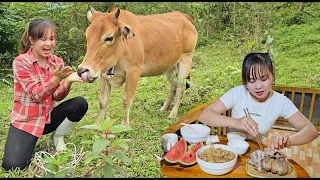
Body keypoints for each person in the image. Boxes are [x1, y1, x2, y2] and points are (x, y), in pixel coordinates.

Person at [1, 18, 88, 171]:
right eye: (43, 39)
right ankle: (28, 141)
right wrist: (56, 79)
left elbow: (57, 97)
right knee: (13, 166)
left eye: (52, 39)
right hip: (26, 122)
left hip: (48, 118)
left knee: (80, 103)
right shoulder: (21, 62)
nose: (49, 44)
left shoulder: (56, 61)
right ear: (32, 40)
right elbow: (35, 95)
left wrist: (67, 82)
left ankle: (58, 136)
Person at [198, 53, 318, 150]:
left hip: (258, 152)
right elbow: (204, 115)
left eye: (264, 78)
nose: (258, 86)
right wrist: (235, 122)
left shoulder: (280, 102)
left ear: (273, 77)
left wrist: (289, 140)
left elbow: (311, 131)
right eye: (251, 80)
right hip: (231, 150)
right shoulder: (238, 93)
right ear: (245, 82)